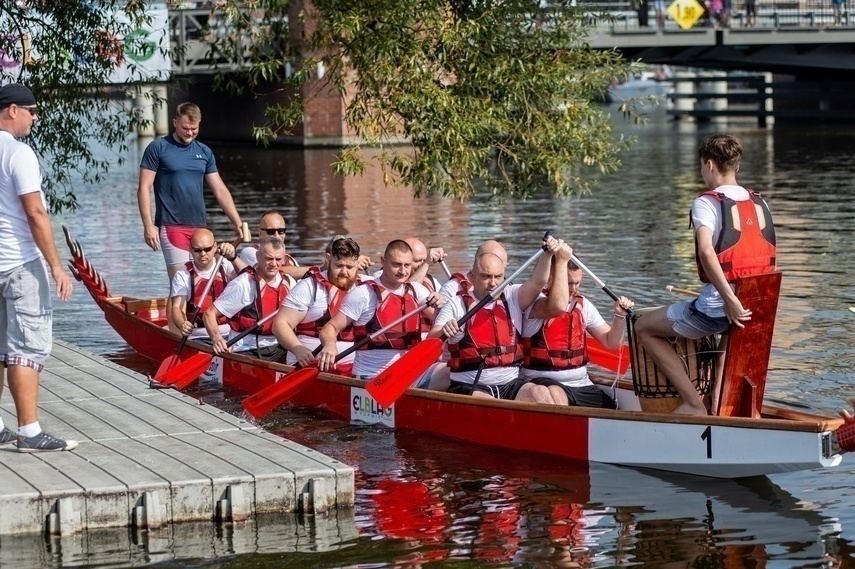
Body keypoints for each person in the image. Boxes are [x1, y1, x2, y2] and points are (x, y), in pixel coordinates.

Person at [634, 134, 776, 415]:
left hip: (722, 307)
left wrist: (729, 300)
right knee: (728, 341)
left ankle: (693, 403)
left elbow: (706, 253)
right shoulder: (760, 203)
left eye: (702, 166)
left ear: (710, 165)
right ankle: (720, 411)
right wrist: (740, 301)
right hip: (757, 303)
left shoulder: (707, 203)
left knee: (643, 328)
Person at [0, 83, 76, 452]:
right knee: (25, 347)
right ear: (12, 110)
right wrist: (57, 266)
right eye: (31, 110)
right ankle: (29, 432)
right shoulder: (18, 153)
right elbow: (35, 212)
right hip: (19, 264)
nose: (35, 117)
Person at [427, 237, 563, 403]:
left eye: (498, 277)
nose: (493, 283)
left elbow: (538, 282)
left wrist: (547, 255)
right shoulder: (457, 303)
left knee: (541, 394)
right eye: (486, 277)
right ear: (472, 276)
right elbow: (431, 338)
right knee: (491, 402)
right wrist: (444, 330)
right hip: (470, 384)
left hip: (509, 383)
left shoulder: (512, 296)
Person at [137, 102, 243, 283]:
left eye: (194, 129)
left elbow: (219, 190)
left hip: (200, 229)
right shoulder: (158, 148)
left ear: (199, 124)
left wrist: (238, 222)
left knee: (205, 283)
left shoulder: (204, 152)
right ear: (175, 123)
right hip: (172, 227)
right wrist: (148, 226)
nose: (190, 133)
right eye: (185, 128)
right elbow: (144, 188)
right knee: (181, 284)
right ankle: (178, 311)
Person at [520, 248, 634, 408]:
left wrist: (620, 316)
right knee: (557, 395)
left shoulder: (583, 305)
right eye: (568, 283)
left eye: (577, 283)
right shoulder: (537, 304)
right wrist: (560, 260)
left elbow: (612, 343)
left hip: (581, 384)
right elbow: (557, 307)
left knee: (613, 407)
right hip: (542, 381)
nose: (573, 289)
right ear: (551, 279)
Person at [317, 240, 444, 379]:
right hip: (373, 377)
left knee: (446, 372)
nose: (402, 271)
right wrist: (329, 344)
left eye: (407, 265)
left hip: (410, 373)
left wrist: (441, 304)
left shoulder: (416, 290)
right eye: (396, 265)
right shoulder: (364, 294)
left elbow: (441, 320)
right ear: (383, 261)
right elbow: (330, 328)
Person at [273, 236, 362, 375]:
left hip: (352, 367)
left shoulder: (362, 289)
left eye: (350, 267)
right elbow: (280, 324)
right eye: (339, 266)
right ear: (328, 259)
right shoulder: (309, 286)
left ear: (357, 264)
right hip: (308, 365)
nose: (344, 272)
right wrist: (298, 349)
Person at [202, 237, 295, 361]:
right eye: (269, 258)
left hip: (280, 347)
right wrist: (218, 339)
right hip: (247, 349)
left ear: (284, 258)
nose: (274, 264)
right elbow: (209, 315)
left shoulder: (288, 281)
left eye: (278, 259)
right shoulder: (243, 284)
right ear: (258, 256)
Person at [168, 228, 244, 341]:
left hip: (230, 333)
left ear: (214, 247)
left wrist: (234, 257)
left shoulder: (225, 264)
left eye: (207, 249)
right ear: (191, 250)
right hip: (198, 336)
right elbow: (177, 308)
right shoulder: (183, 274)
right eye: (198, 250)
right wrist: (182, 324)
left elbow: (249, 277)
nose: (203, 254)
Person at [438, 239, 508, 301]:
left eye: (498, 276)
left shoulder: (508, 291)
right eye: (487, 275)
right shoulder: (451, 289)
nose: (493, 283)